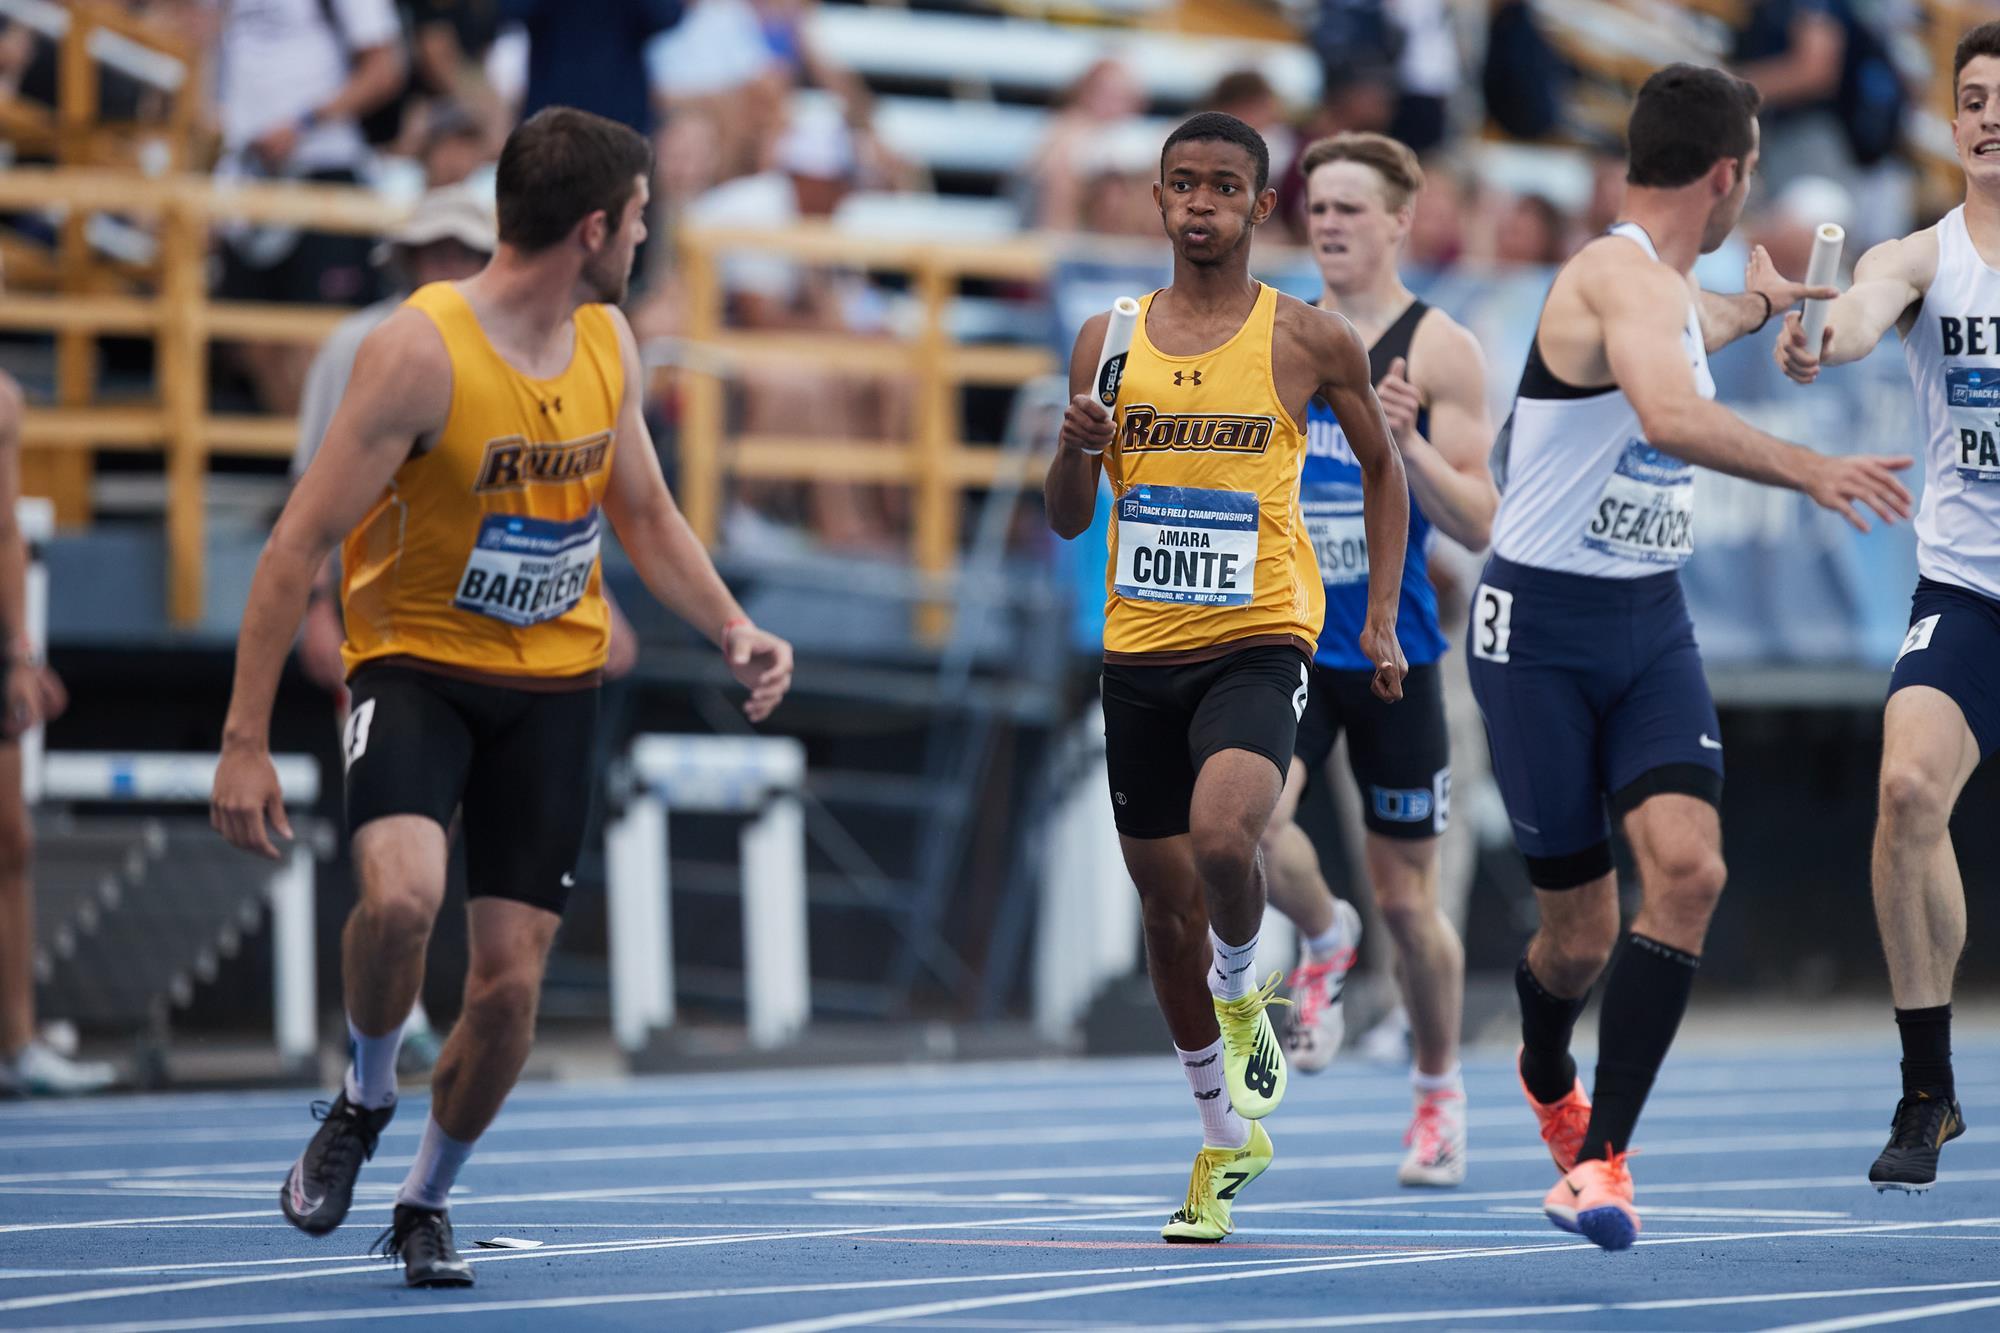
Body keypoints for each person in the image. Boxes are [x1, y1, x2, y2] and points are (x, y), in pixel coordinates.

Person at [210, 106, 794, 1287]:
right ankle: (364, 1094)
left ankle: (426, 1197)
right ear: (593, 229)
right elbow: (294, 543)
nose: (646, 239)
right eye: (639, 218)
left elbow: (645, 513)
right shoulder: (419, 350)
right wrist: (244, 740)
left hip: (552, 686)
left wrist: (730, 623)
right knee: (400, 900)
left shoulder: (607, 342)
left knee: (510, 984)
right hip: (416, 662)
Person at [1473, 63, 1913, 1251]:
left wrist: (1755, 308)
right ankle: (1542, 1066)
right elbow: (1667, 412)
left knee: (1689, 871)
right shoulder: (1610, 275)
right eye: (1751, 173)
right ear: (1725, 175)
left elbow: (1688, 328)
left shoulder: (1663, 290)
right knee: (1576, 935)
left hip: (1648, 624)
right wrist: (1809, 466)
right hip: (1539, 637)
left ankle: (1601, 1162)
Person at [1045, 111, 1409, 1243]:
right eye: (1181, 185)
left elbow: (1386, 471)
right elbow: (1067, 518)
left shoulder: (1309, 338)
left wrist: (1381, 615)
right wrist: (1072, 445)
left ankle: (1245, 983)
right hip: (1139, 651)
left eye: (1221, 186)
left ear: (1261, 205)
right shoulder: (1106, 339)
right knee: (1165, 915)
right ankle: (1224, 1134)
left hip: (1259, 635)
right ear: (1159, 199)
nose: (1199, 204)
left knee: (1221, 842)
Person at [1775, 19, 2000, 1196]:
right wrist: (1819, 335)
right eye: (1973, 99)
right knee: (1906, 787)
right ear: (1950, 119)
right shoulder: (1920, 255)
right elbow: (1859, 312)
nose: (1988, 118)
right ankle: (1926, 1086)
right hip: (1968, 588)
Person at [1258, 131, 1497, 1188]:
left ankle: (1437, 1091)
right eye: (1317, 206)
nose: (1329, 223)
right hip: (1290, 642)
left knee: (1410, 905)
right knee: (1248, 825)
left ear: (1400, 220)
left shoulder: (1438, 349)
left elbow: (1481, 520)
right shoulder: (1275, 332)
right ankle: (1322, 935)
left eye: (1350, 207)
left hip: (1395, 652)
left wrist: (1408, 445)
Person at [0, 368, 96, 1098]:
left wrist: (22, 656)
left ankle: (18, 1043)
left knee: (12, 840)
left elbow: (5, 531)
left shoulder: (3, 399)